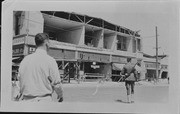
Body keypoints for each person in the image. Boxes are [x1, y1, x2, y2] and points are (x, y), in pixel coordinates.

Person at [18, 33, 63, 102]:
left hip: (26, 101)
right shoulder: (50, 60)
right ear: (46, 43)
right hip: (43, 101)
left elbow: (20, 80)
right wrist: (60, 95)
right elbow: (56, 83)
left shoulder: (25, 60)